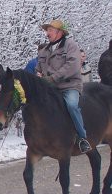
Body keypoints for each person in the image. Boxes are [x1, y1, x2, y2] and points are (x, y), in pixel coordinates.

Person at [36, 20, 91, 153]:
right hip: (51, 87)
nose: (47, 33)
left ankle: (82, 138)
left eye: (50, 30)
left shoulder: (71, 46)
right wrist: (38, 74)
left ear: (59, 32)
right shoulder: (44, 50)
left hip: (69, 85)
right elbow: (39, 68)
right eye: (47, 30)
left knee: (72, 105)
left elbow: (72, 66)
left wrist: (53, 78)